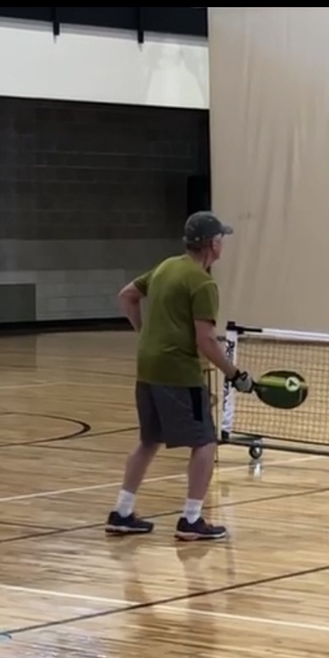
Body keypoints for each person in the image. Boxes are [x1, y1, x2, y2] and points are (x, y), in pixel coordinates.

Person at [104, 211, 255, 540]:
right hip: (179, 373)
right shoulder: (203, 283)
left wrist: (145, 334)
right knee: (204, 442)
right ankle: (191, 519)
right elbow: (205, 340)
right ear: (213, 244)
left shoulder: (165, 267)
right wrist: (235, 374)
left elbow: (126, 295)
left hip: (147, 367)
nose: (223, 244)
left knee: (148, 439)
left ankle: (122, 512)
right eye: (222, 239)